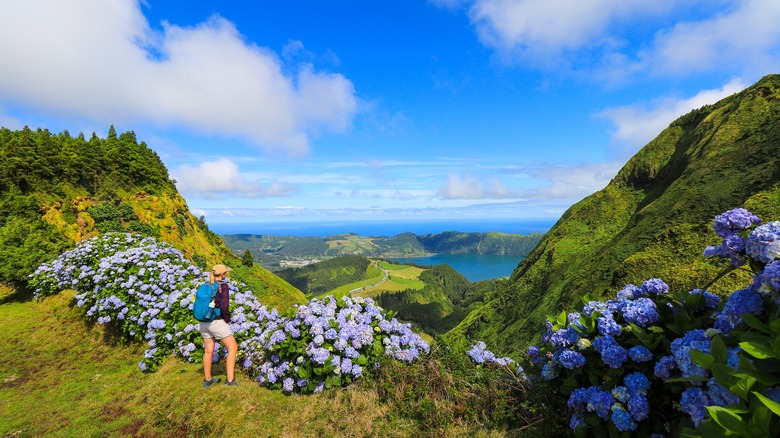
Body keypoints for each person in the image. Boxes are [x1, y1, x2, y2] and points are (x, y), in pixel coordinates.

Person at [198, 264, 238, 387]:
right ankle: (230, 380)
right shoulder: (223, 286)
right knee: (233, 348)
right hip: (216, 322)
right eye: (225, 273)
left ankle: (208, 380)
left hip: (203, 322)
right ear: (223, 275)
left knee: (208, 351)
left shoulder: (205, 285)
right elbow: (224, 306)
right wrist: (227, 319)